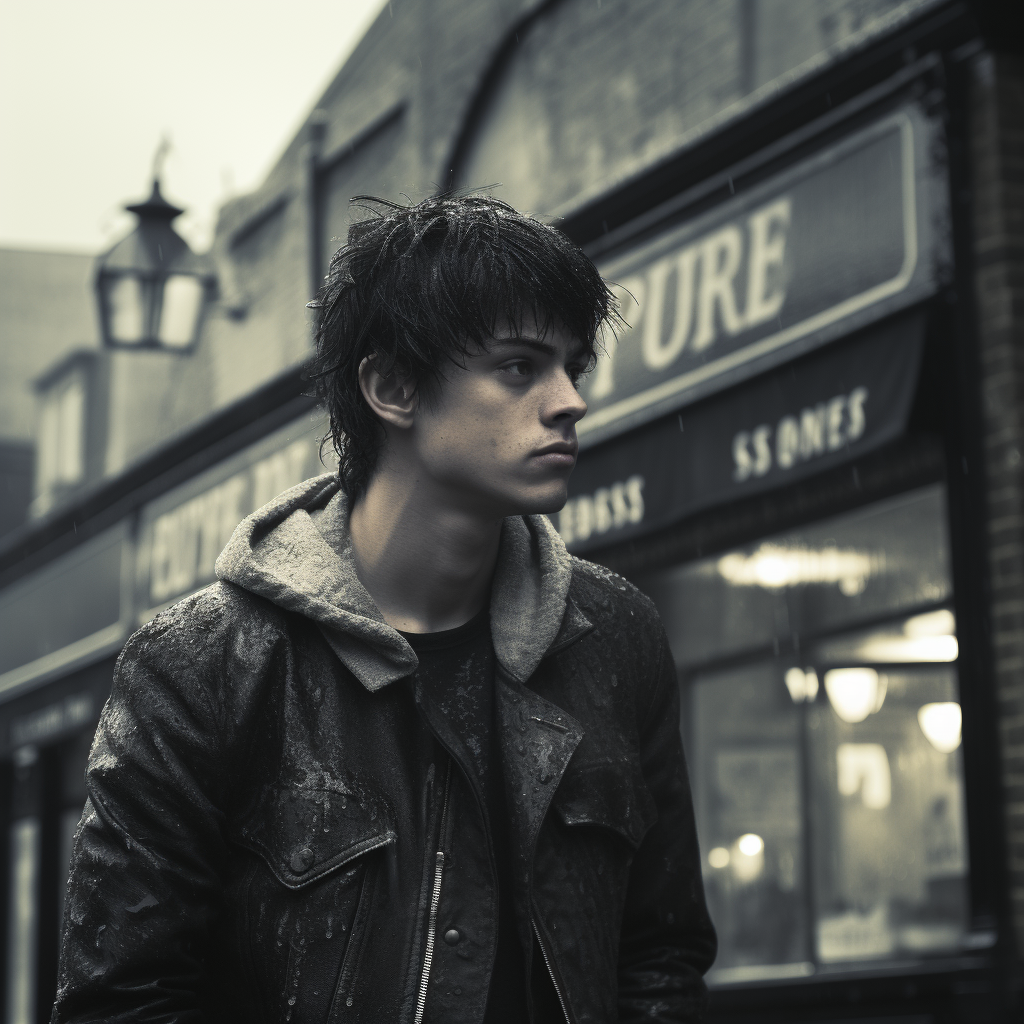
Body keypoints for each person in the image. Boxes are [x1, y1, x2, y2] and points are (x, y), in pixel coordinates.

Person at [53, 195, 716, 1023]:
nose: (568, 400)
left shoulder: (616, 637)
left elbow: (661, 956)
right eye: (519, 367)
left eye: (572, 367)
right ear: (393, 387)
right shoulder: (201, 665)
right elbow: (124, 1002)